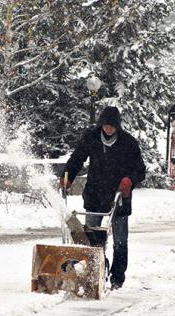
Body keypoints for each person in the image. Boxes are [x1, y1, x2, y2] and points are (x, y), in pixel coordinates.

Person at [60, 106, 146, 290]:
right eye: (105, 126)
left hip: (119, 198)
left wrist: (129, 180)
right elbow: (76, 159)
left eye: (112, 127)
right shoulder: (91, 137)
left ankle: (117, 279)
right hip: (95, 195)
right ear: (101, 125)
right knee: (92, 239)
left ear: (117, 127)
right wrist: (67, 177)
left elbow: (140, 169)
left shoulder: (128, 143)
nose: (108, 130)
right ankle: (95, 272)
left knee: (120, 241)